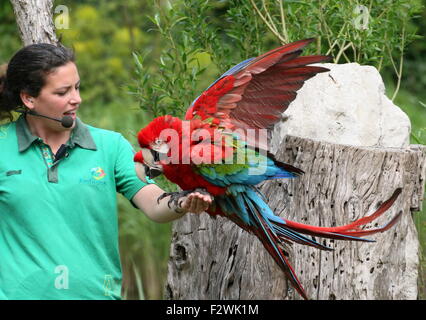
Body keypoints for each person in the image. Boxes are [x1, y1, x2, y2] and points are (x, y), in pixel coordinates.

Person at [0, 43, 212, 300]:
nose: (76, 98)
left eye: (77, 87)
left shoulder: (110, 146)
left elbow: (153, 204)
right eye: (62, 92)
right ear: (29, 98)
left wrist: (182, 202)